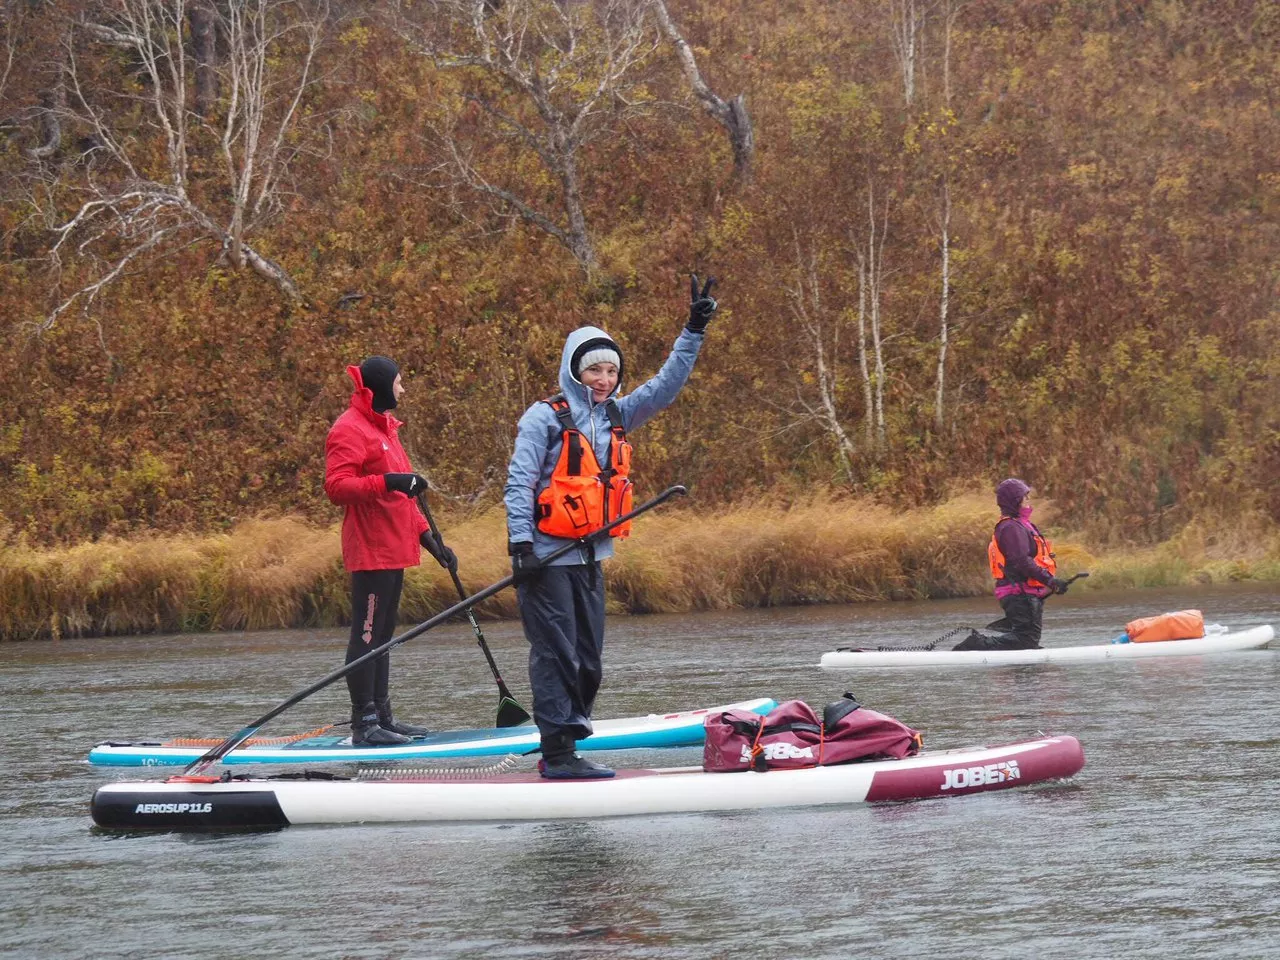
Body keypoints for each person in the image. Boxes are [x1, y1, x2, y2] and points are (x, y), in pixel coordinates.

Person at [504, 275, 721, 779]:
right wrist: (521, 546)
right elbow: (519, 484)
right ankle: (557, 755)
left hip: (590, 555)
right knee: (555, 652)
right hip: (545, 557)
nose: (604, 378)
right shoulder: (544, 418)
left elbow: (666, 385)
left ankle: (567, 741)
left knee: (587, 658)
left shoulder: (618, 415)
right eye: (594, 370)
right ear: (575, 372)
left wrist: (693, 330)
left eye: (611, 370)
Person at [324, 355, 457, 746]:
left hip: (395, 548)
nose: (403, 389)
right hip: (370, 549)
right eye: (399, 382)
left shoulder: (386, 430)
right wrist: (388, 480)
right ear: (382, 386)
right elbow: (337, 487)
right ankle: (364, 724)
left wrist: (433, 543)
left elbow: (403, 498)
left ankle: (383, 716)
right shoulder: (348, 429)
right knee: (366, 636)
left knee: (383, 636)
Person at [956, 478, 1069, 651]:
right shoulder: (1010, 528)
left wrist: (1048, 585)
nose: (1029, 501)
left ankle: (1015, 665)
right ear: (1015, 502)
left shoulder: (1021, 525)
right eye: (1025, 498)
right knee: (1025, 640)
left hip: (1024, 592)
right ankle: (976, 644)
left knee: (1027, 641)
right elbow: (1022, 562)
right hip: (1018, 593)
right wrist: (1050, 580)